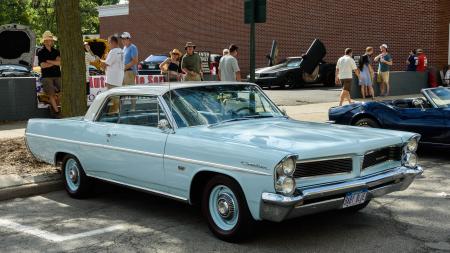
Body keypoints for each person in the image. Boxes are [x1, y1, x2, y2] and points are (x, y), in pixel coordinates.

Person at [37, 31, 61, 117]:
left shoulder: (56, 51)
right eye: (49, 40)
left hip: (58, 75)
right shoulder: (40, 51)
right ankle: (57, 112)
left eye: (51, 40)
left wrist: (49, 61)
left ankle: (56, 108)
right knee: (51, 94)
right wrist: (54, 62)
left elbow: (59, 63)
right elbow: (43, 66)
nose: (51, 41)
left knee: (64, 91)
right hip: (47, 76)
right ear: (45, 41)